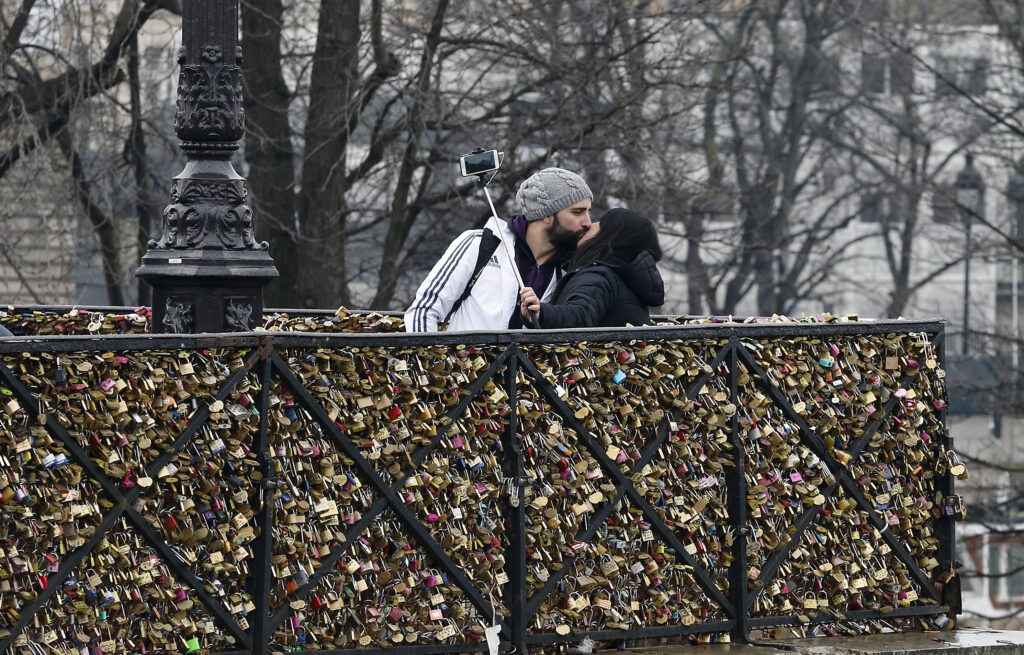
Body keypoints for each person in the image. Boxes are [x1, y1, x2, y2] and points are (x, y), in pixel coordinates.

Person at [404, 167, 593, 332]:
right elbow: (424, 311)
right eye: (577, 212)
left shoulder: (568, 271)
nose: (587, 222)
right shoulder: (479, 244)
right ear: (546, 215)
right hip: (464, 372)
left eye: (588, 211)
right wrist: (429, 372)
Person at [519, 208, 664, 328]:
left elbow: (580, 315)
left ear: (610, 235)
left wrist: (542, 313)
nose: (589, 224)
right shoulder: (625, 276)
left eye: (601, 223)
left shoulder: (598, 276)